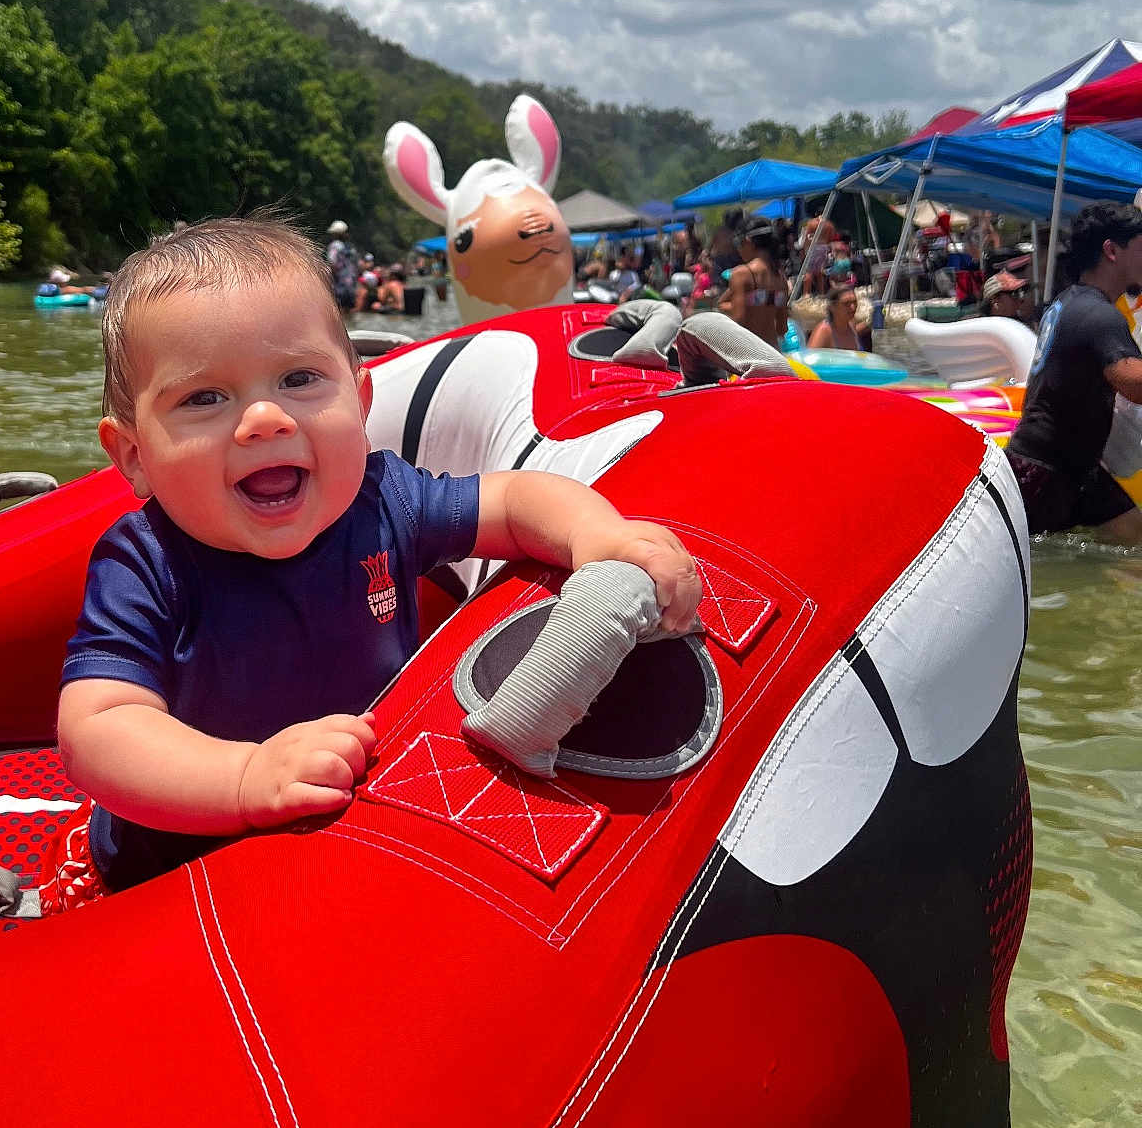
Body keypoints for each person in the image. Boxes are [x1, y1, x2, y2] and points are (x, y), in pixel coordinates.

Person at [51, 216, 702, 903]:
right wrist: (246, 778)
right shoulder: (146, 564)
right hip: (172, 870)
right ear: (133, 457)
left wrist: (597, 537)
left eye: (300, 378)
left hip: (355, 829)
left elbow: (512, 503)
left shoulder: (385, 500)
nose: (265, 419)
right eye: (204, 398)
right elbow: (97, 727)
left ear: (361, 404)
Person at [1004, 202, 1142, 543]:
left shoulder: (1068, 302)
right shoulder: (1099, 315)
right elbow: (1135, 385)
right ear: (1111, 250)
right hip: (1044, 474)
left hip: (1065, 467)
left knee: (1133, 536)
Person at [718, 215, 790, 347]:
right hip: (773, 354)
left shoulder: (742, 274)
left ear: (748, 241)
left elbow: (739, 319)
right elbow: (782, 328)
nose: (738, 250)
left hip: (749, 354)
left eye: (738, 243)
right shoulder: (780, 278)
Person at [808, 285, 870, 351]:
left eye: (854, 302)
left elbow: (857, 330)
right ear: (832, 307)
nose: (853, 307)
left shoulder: (851, 324)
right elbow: (808, 359)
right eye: (846, 303)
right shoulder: (824, 331)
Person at [325, 220, 358, 312]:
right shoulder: (351, 248)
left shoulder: (335, 246)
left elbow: (332, 263)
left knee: (339, 313)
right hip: (351, 286)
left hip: (339, 285)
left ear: (335, 234)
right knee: (349, 313)